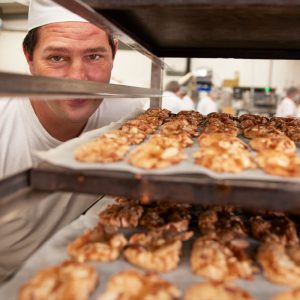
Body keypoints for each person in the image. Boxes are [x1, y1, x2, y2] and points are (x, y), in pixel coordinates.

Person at [0, 0, 144, 281]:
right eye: (57, 58)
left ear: (114, 53)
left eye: (94, 56)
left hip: (93, 277)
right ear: (29, 58)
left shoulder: (128, 115)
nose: (78, 78)